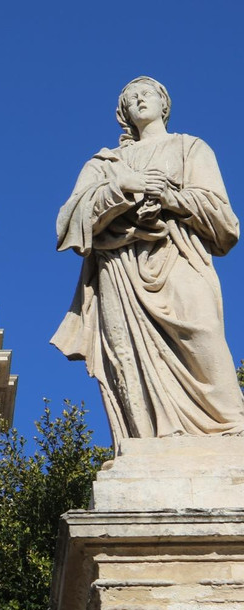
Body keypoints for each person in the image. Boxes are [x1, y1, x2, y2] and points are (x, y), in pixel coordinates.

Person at [52, 77, 244, 447]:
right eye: (130, 98)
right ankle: (146, 443)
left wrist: (170, 197)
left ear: (164, 103)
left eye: (146, 94)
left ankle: (232, 426)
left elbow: (225, 222)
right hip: (119, 270)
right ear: (123, 113)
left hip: (179, 256)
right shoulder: (105, 163)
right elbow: (69, 221)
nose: (139, 100)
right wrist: (123, 187)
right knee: (127, 357)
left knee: (202, 331)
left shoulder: (190, 149)